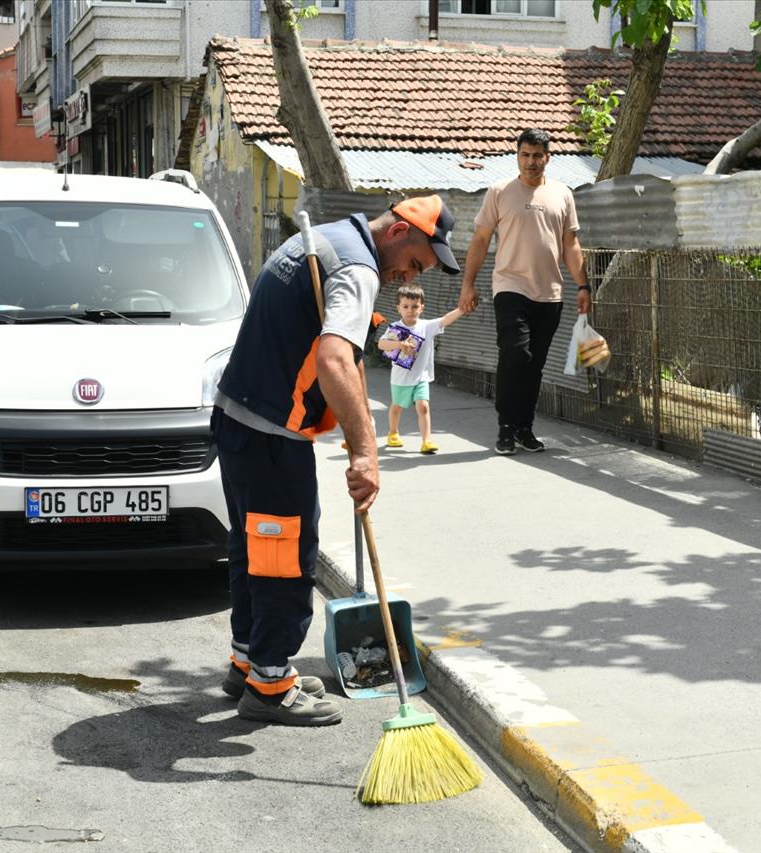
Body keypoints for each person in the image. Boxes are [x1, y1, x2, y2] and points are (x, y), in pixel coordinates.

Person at [213, 195, 461, 726]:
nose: (405, 277)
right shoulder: (357, 267)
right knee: (284, 558)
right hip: (273, 434)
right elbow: (332, 359)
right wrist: (367, 452)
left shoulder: (326, 240)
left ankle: (247, 659)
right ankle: (271, 683)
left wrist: (390, 339)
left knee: (252, 547)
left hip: (237, 418)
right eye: (415, 263)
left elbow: (323, 316)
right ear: (397, 233)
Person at [458, 128, 591, 455]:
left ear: (548, 157)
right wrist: (468, 284)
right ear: (517, 156)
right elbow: (480, 240)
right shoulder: (499, 191)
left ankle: (524, 427)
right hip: (510, 287)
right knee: (516, 353)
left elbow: (570, 244)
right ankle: (505, 426)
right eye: (525, 155)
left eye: (537, 155)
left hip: (550, 293)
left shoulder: (562, 194)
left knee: (534, 365)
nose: (530, 162)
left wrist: (584, 284)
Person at [378, 284, 465, 454]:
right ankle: (393, 432)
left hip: (421, 377)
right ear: (399, 308)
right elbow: (381, 344)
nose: (410, 310)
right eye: (406, 306)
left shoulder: (427, 326)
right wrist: (399, 344)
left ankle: (426, 440)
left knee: (423, 406)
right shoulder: (394, 328)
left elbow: (445, 319)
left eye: (415, 306)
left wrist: (461, 309)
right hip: (401, 378)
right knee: (397, 407)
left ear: (422, 307)